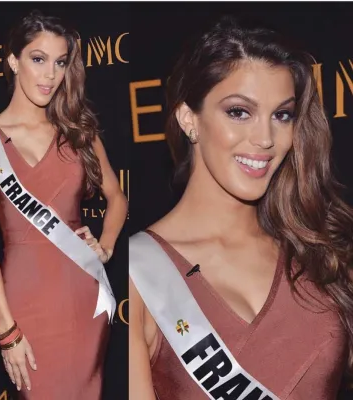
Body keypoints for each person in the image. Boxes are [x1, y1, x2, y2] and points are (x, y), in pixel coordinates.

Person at [129, 15, 353, 400]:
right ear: (189, 119)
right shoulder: (138, 273)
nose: (265, 138)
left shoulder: (321, 251)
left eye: (282, 115)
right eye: (239, 112)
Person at [0, 10, 128, 400]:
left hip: (84, 298)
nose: (50, 74)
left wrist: (105, 247)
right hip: (25, 302)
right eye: (38, 59)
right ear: (13, 60)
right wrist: (7, 330)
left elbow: (117, 197)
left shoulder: (79, 133)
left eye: (60, 62)